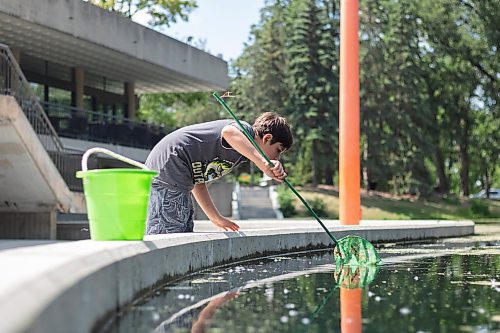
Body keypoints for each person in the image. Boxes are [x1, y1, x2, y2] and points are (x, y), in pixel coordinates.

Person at [144, 112, 294, 234]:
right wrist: (263, 163)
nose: (276, 158)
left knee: (183, 227)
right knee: (170, 230)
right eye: (278, 151)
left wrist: (215, 217)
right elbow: (228, 132)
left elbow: (198, 180)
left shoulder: (240, 154)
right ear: (267, 138)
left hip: (179, 173)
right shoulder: (245, 130)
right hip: (169, 165)